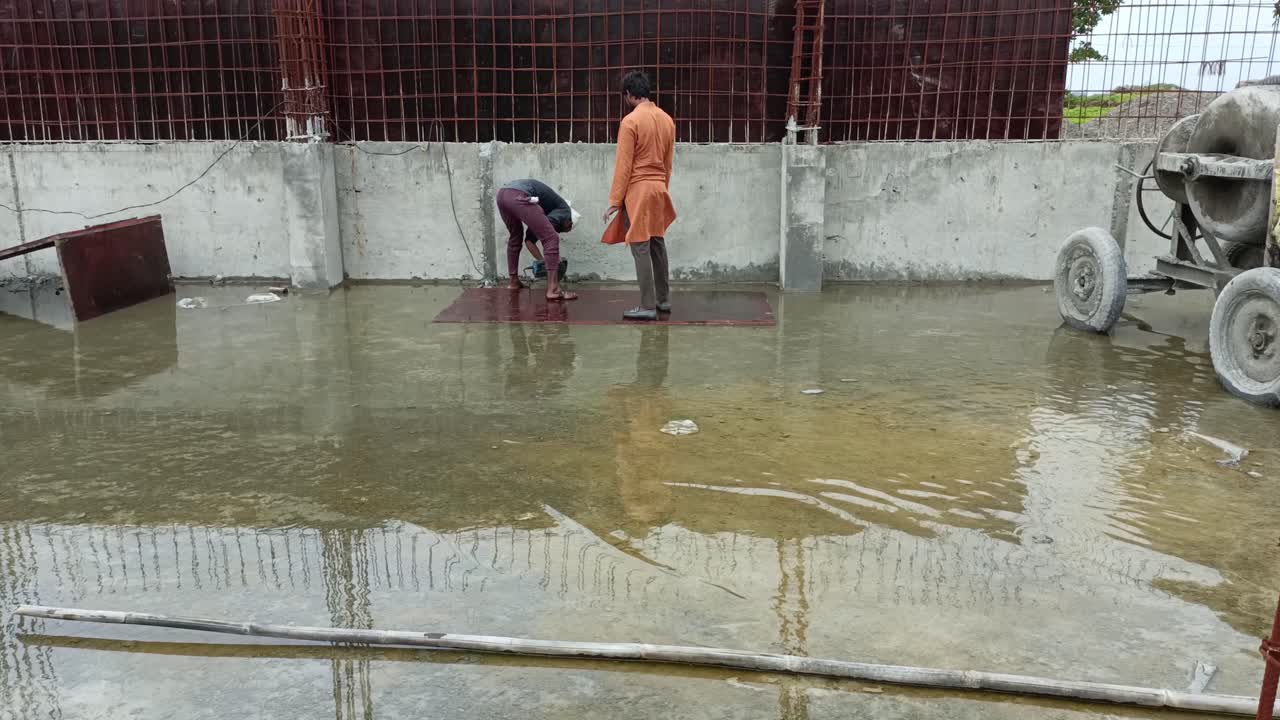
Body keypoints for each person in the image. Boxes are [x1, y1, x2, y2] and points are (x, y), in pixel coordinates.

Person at [602, 70, 677, 321]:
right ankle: (663, 300)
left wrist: (615, 201)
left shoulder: (630, 122)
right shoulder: (667, 120)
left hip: (639, 189)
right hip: (659, 188)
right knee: (657, 242)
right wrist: (663, 188)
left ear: (628, 95)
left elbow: (623, 165)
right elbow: (668, 163)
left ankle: (646, 306)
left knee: (640, 246)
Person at [496, 178, 576, 301]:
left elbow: (529, 241)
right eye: (565, 229)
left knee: (515, 236)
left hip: (502, 195)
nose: (560, 230)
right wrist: (552, 260)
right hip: (519, 194)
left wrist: (543, 261)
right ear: (569, 222)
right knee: (552, 237)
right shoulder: (565, 211)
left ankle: (513, 281)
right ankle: (553, 289)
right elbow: (548, 235)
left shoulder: (552, 208)